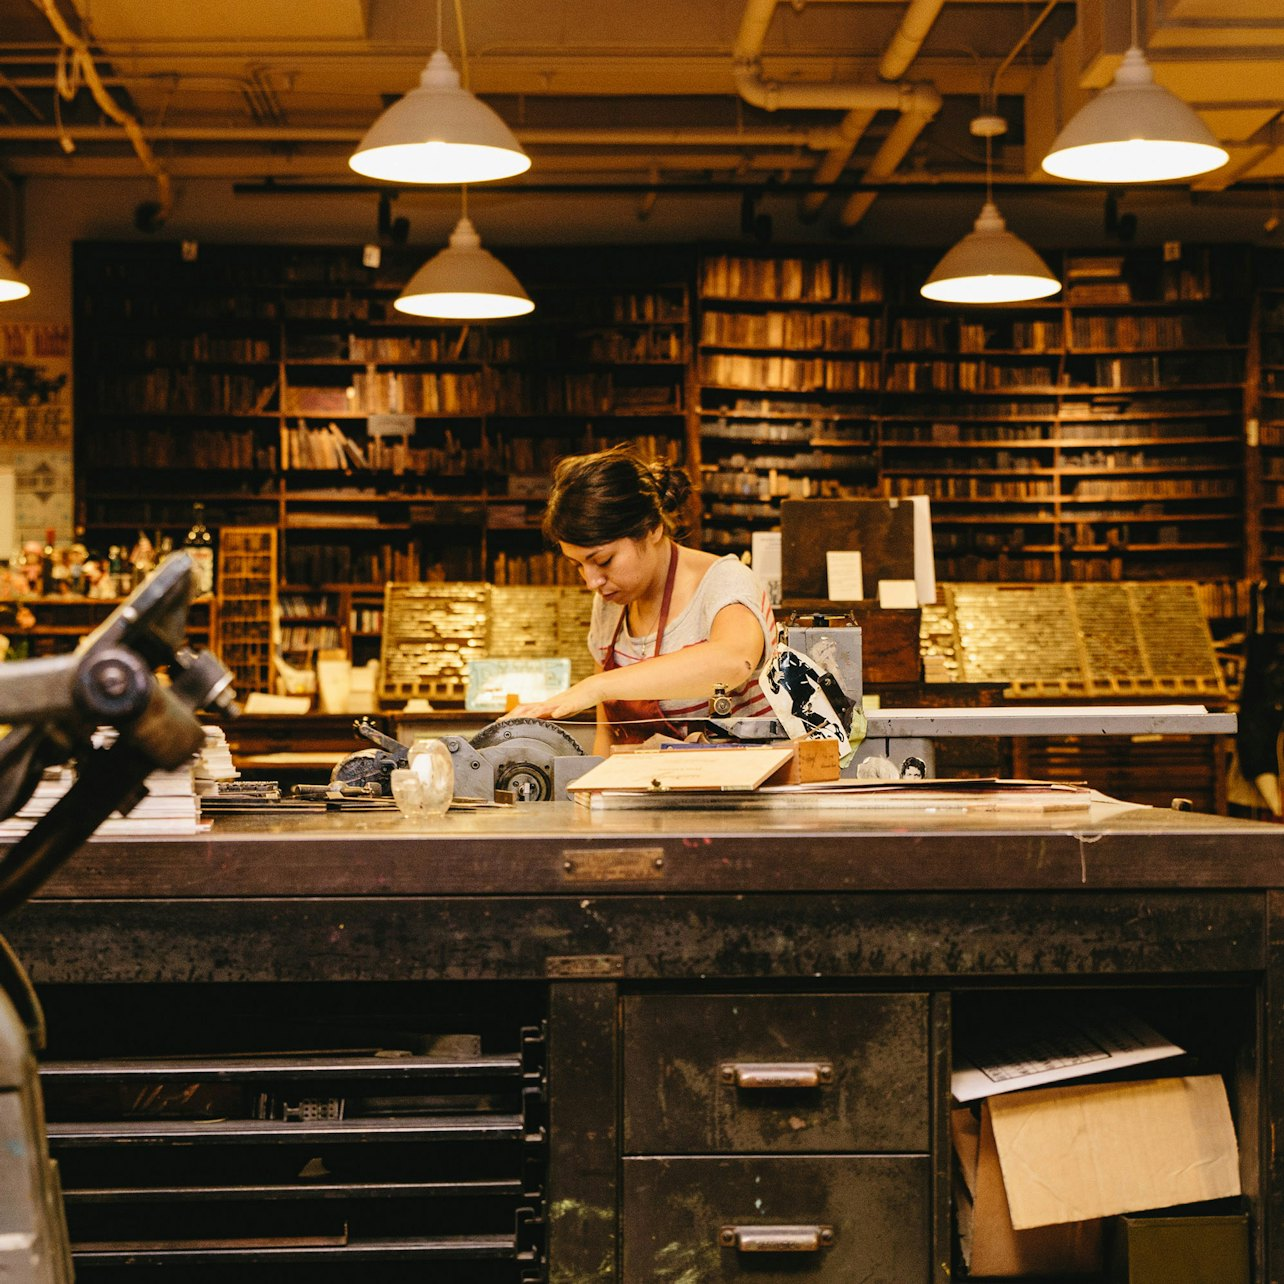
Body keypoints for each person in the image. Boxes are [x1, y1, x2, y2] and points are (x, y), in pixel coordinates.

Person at [504, 446, 776, 755]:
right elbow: (607, 740)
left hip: (738, 797)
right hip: (648, 796)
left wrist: (595, 687)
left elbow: (732, 661)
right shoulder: (610, 605)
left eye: (603, 561)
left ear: (652, 528)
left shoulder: (724, 580)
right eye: (577, 565)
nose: (592, 582)